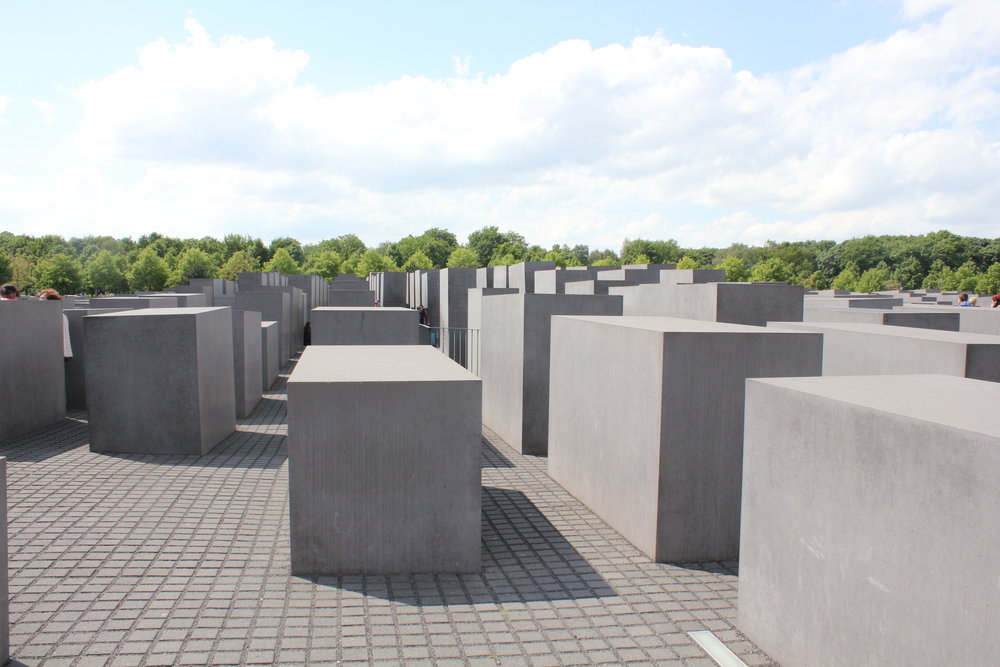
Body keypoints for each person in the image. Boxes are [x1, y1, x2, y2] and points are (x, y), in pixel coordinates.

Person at [38, 288, 73, 359]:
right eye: (39, 298)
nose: (39, 300)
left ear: (51, 301)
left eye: (42, 298)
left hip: (57, 353)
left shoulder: (59, 316)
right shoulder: (42, 314)